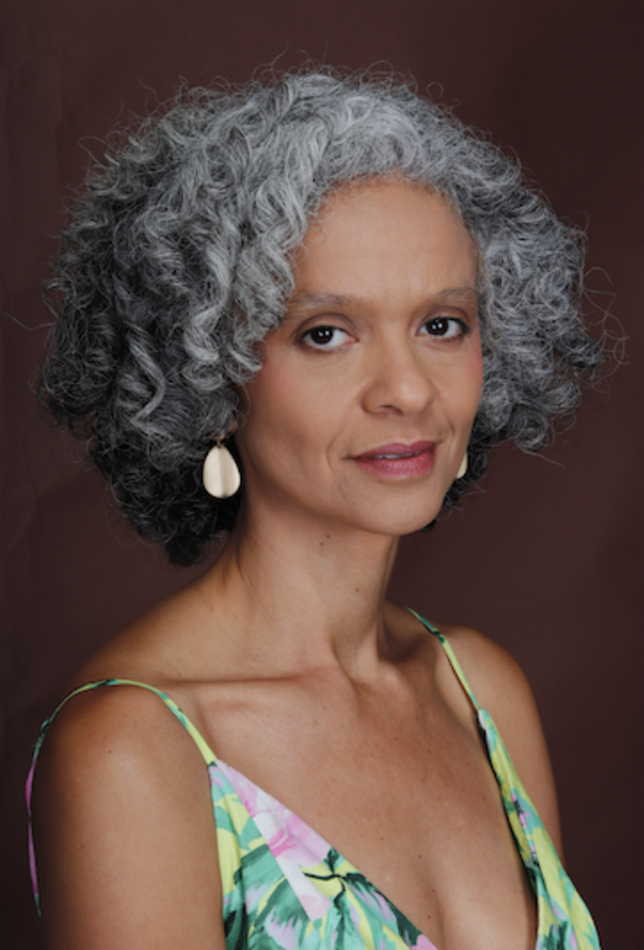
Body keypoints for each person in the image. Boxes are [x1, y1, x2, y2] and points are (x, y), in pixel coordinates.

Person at [27, 69, 602, 950]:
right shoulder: (134, 750)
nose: (409, 390)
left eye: (442, 324)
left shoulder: (480, 691)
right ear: (209, 375)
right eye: (325, 333)